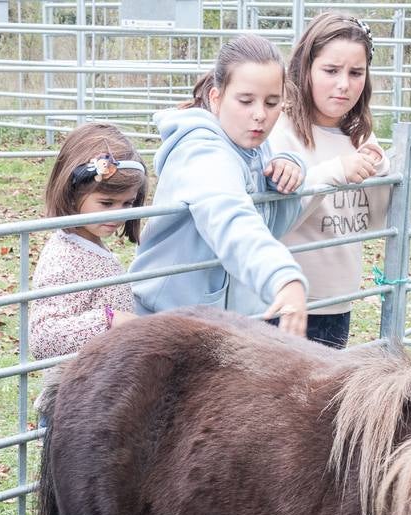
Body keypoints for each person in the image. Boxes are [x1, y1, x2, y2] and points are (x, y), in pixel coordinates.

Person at [25, 121, 146, 515]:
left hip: (95, 406)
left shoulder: (93, 247)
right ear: (72, 194)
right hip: (67, 408)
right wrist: (110, 321)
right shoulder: (63, 253)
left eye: (125, 202)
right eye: (105, 200)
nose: (115, 214)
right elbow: (44, 332)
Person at [129, 33, 309, 337]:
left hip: (222, 324)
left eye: (272, 102)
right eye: (245, 100)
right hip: (168, 325)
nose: (260, 115)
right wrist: (283, 277)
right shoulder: (203, 153)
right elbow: (232, 219)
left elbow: (270, 227)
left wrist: (287, 178)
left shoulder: (256, 149)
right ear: (216, 97)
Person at [272, 12, 391, 349]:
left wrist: (381, 174)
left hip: (338, 301)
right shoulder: (281, 133)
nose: (344, 84)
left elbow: (374, 222)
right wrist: (334, 173)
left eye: (356, 73)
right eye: (330, 71)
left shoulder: (359, 134)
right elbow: (277, 219)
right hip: (287, 300)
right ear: (305, 67)